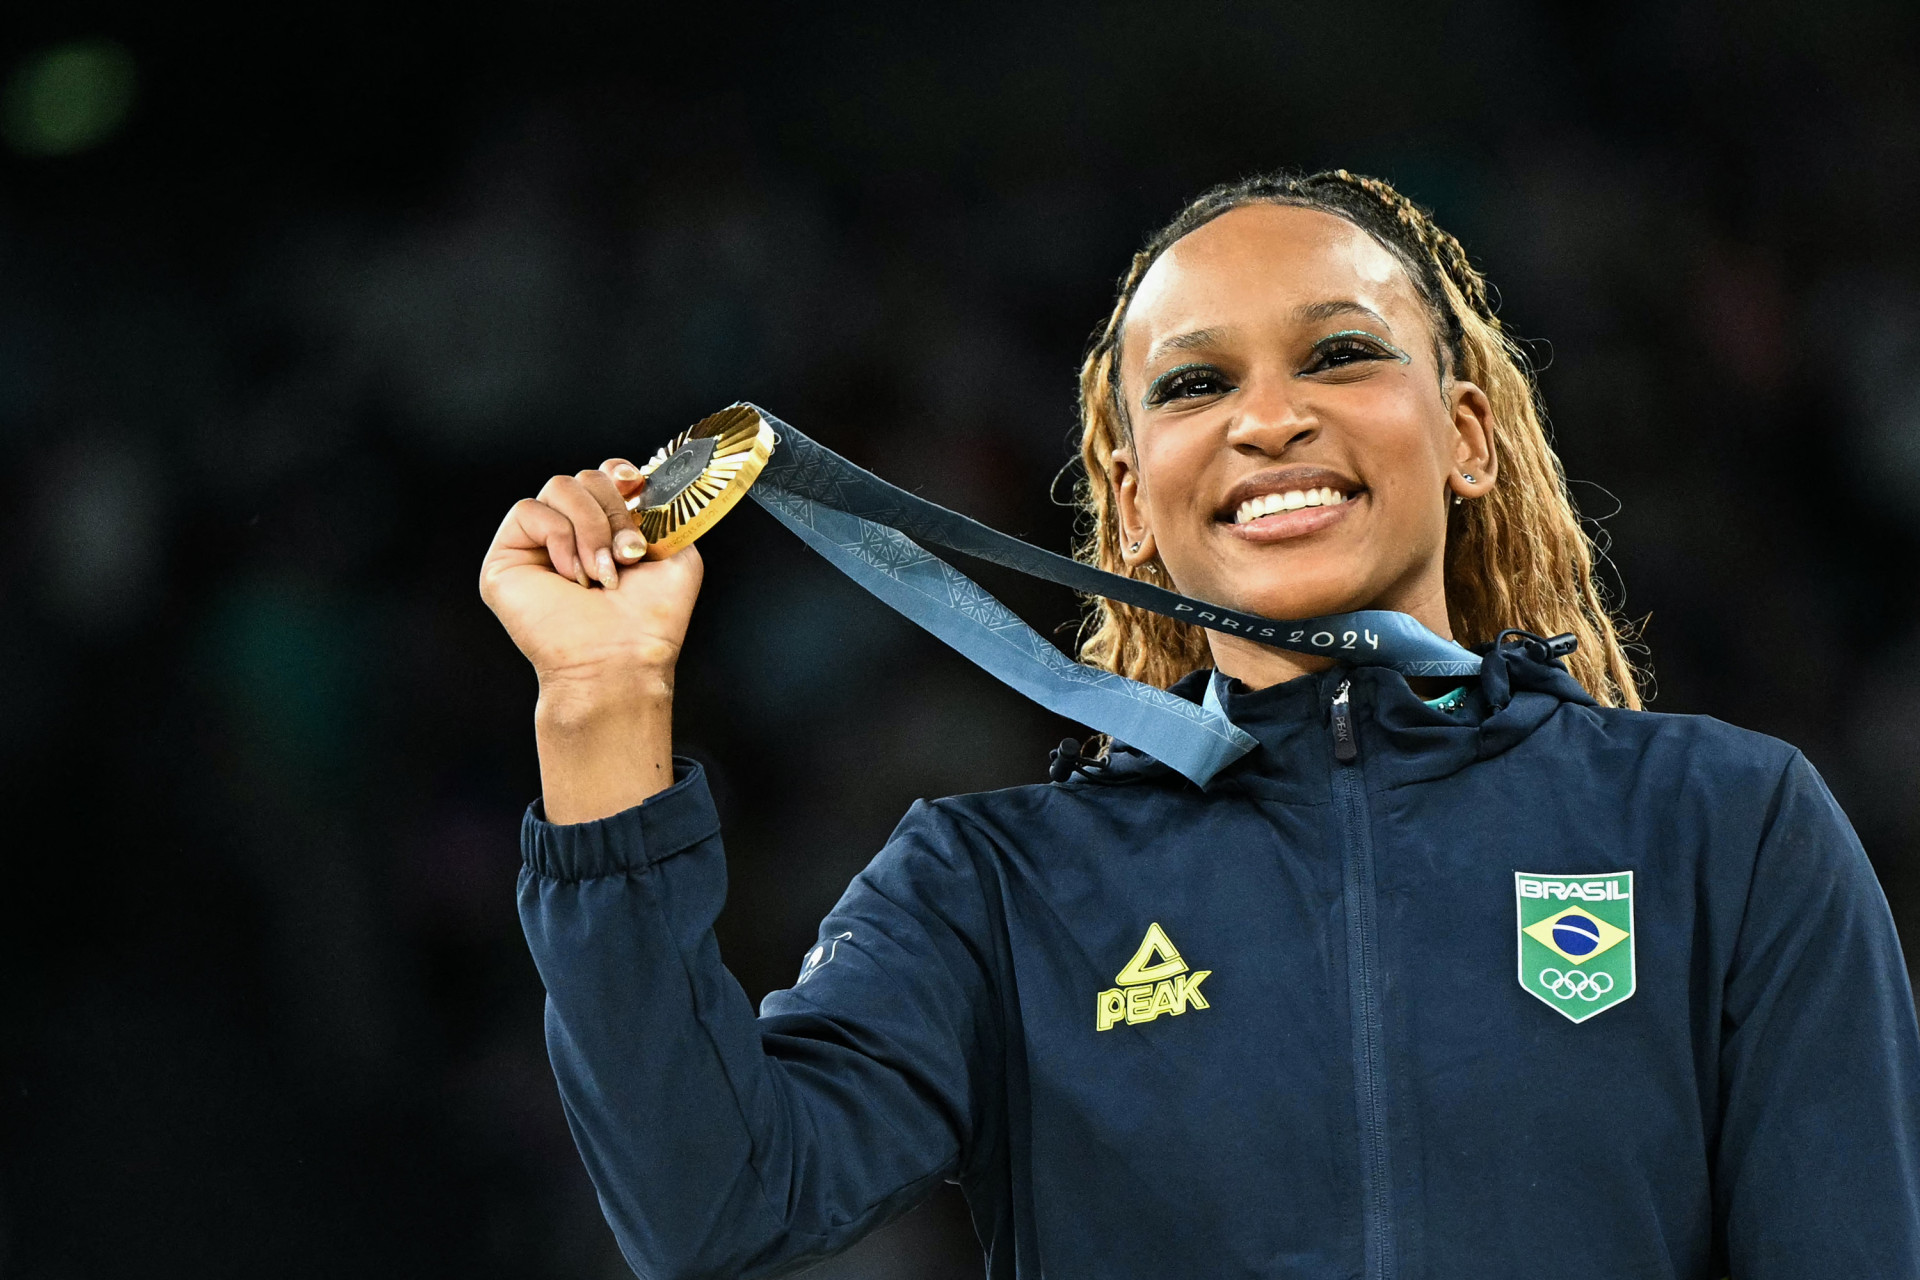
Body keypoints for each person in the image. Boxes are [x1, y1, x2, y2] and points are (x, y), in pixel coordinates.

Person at [479, 170, 1920, 1278]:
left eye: (1342, 354)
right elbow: (708, 1204)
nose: (1269, 418)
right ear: (1130, 488)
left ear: (1468, 433)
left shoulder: (1723, 829)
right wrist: (603, 709)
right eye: (1196, 383)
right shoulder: (998, 891)